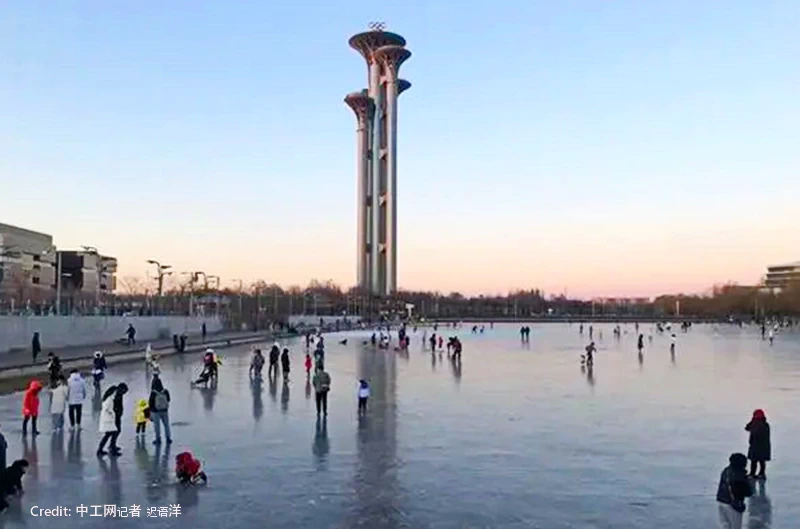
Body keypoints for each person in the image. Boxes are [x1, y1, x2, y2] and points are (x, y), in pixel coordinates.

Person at [716, 453, 753, 529]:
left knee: (725, 525)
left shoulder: (726, 470)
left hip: (722, 500)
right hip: (733, 504)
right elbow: (747, 492)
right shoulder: (739, 476)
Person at [96, 383, 128, 457]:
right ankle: (108, 449)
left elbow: (119, 405)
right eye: (124, 391)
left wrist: (119, 412)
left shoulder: (117, 393)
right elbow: (108, 407)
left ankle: (110, 447)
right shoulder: (114, 395)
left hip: (115, 416)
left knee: (114, 432)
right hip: (112, 417)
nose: (124, 393)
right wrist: (114, 413)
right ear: (121, 389)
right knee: (111, 433)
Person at [745, 409, 771, 479]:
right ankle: (760, 474)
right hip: (761, 446)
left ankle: (755, 474)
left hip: (757, 446)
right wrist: (752, 422)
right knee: (760, 461)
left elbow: (752, 431)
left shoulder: (761, 425)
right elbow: (747, 428)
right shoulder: (765, 424)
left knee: (755, 461)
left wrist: (753, 422)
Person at [149, 377, 172, 445]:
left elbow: (150, 403)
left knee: (157, 426)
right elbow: (168, 399)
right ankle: (168, 438)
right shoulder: (165, 391)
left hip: (155, 411)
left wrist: (150, 412)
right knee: (166, 425)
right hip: (165, 410)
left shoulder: (153, 392)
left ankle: (158, 439)